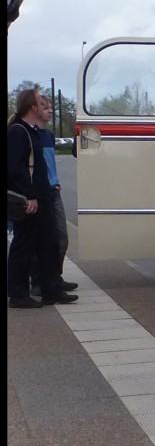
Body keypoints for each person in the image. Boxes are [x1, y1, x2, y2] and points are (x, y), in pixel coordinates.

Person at [7, 88, 77, 308]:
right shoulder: (18, 131)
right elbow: (15, 169)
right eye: (40, 102)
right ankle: (18, 295)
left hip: (43, 196)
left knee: (48, 244)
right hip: (30, 200)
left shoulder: (33, 131)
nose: (45, 106)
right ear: (33, 107)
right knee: (24, 245)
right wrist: (29, 196)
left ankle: (51, 289)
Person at [31, 94, 78, 299]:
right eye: (45, 107)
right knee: (40, 239)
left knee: (61, 238)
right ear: (33, 109)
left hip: (53, 190)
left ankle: (54, 277)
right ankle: (39, 282)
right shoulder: (27, 134)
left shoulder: (48, 135)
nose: (50, 110)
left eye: (51, 107)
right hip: (38, 192)